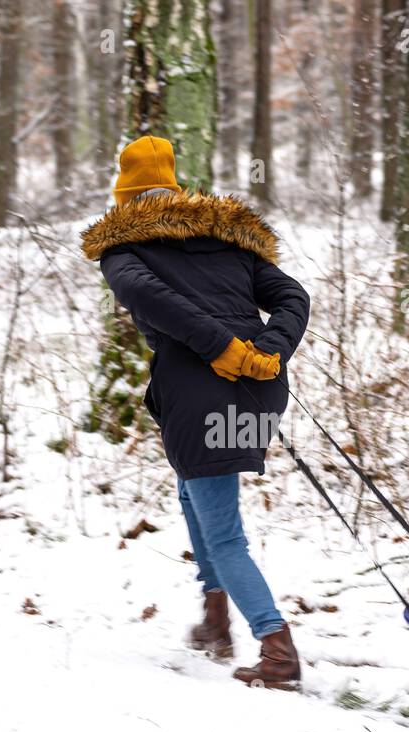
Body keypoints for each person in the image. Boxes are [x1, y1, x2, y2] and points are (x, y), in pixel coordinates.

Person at [81, 136, 310, 690]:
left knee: (222, 527)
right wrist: (266, 350)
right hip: (260, 389)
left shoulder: (124, 250)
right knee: (195, 493)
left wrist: (225, 350)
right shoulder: (229, 239)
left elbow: (151, 298)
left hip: (201, 390)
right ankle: (215, 621)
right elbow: (293, 297)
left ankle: (276, 648)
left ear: (126, 196)